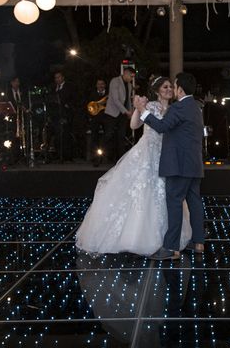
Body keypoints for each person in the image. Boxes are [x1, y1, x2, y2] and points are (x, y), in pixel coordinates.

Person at [75, 76, 192, 256]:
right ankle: (135, 238)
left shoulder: (175, 109)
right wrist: (139, 109)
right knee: (142, 190)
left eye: (170, 87)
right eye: (165, 87)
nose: (169, 89)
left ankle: (166, 238)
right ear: (157, 90)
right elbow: (134, 124)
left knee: (166, 193)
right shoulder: (151, 106)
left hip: (166, 155)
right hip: (147, 152)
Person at [135, 72, 205, 260]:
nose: (172, 89)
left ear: (180, 88)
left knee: (174, 202)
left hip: (179, 165)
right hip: (194, 164)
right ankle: (198, 242)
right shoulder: (195, 107)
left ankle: (171, 248)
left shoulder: (178, 108)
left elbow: (160, 127)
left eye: (174, 85)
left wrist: (142, 111)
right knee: (194, 202)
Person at [104, 67, 135, 161]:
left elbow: (128, 100)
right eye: (131, 76)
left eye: (133, 77)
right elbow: (115, 99)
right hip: (112, 113)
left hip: (123, 115)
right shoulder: (115, 81)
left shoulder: (129, 85)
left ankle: (120, 159)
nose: (131, 78)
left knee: (121, 136)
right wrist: (126, 111)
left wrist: (130, 112)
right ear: (125, 73)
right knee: (108, 135)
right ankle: (99, 157)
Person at [49, 71, 77, 161]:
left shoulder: (69, 87)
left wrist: (68, 106)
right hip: (56, 115)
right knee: (57, 135)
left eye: (59, 77)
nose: (57, 79)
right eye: (56, 78)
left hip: (66, 114)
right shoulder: (54, 88)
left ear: (63, 77)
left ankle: (67, 155)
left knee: (66, 134)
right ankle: (58, 154)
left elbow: (73, 99)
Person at [87, 78, 108, 166]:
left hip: (106, 119)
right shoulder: (92, 94)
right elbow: (89, 107)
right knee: (94, 138)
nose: (100, 86)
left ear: (105, 85)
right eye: (99, 84)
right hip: (95, 119)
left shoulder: (109, 95)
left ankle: (105, 157)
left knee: (106, 137)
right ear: (96, 85)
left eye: (102, 84)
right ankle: (95, 157)